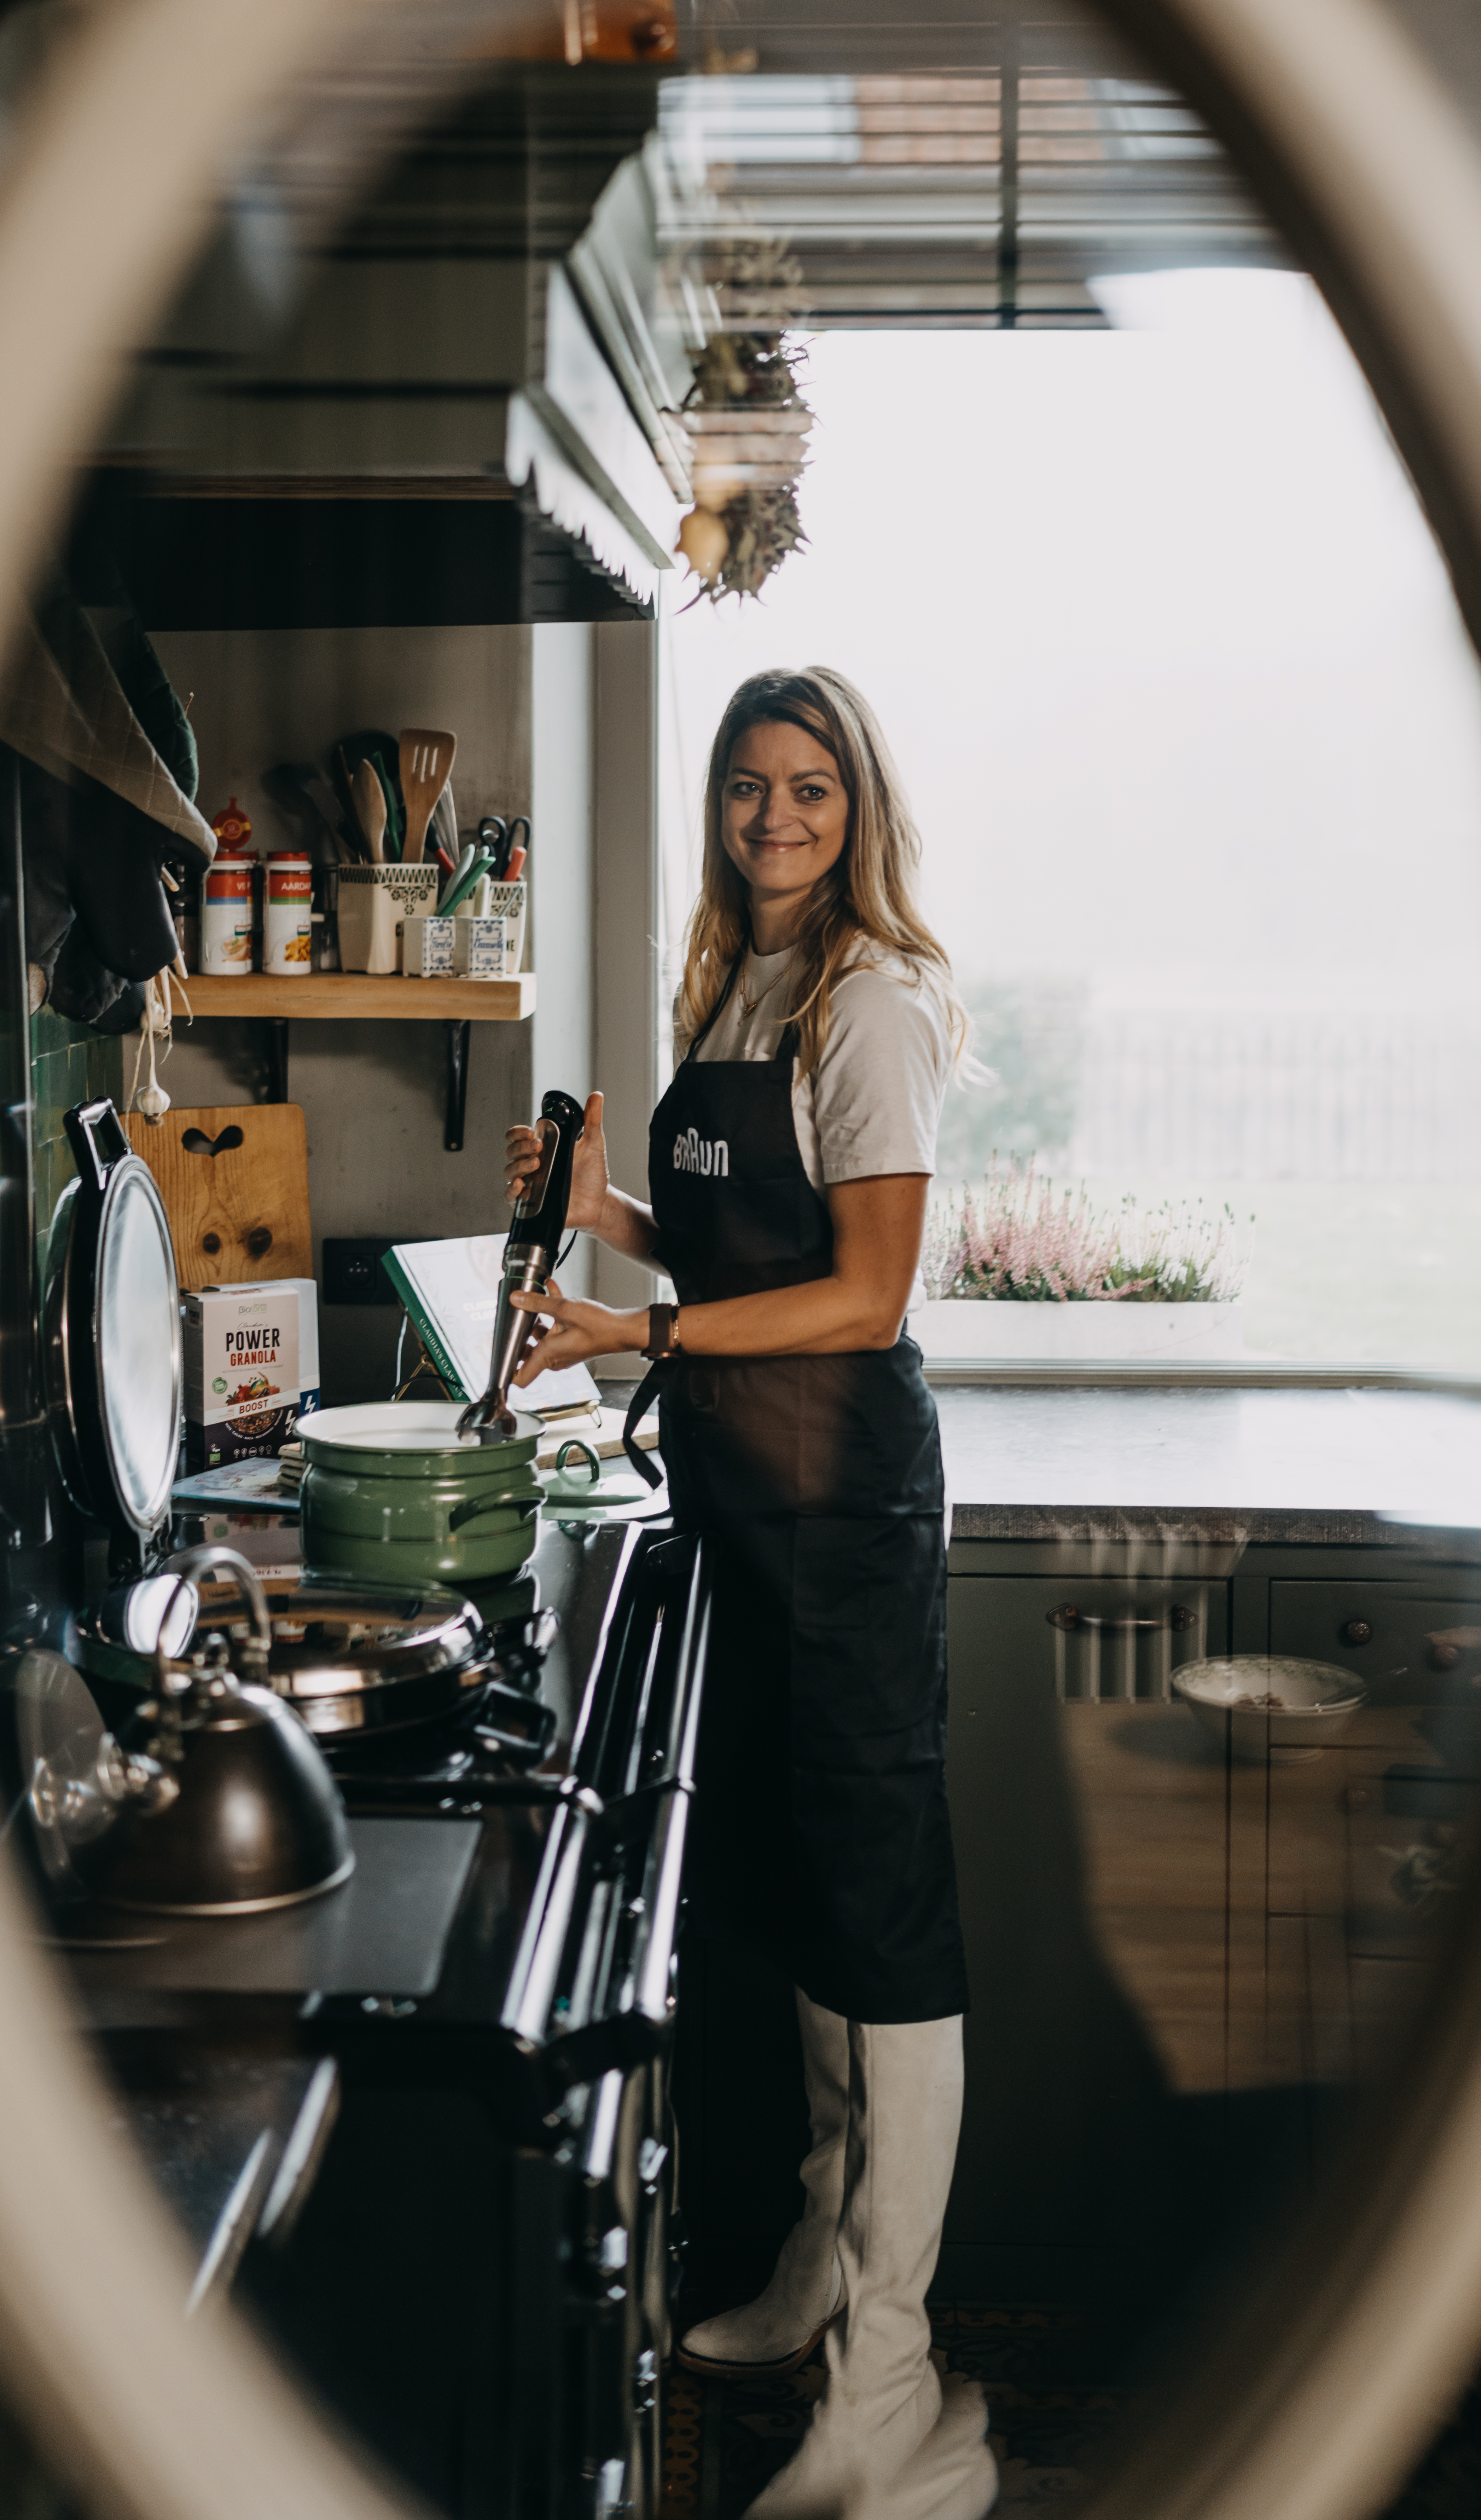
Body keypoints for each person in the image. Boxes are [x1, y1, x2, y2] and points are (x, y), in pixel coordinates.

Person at [504, 667, 993, 2520]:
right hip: (739, 1501)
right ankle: (818, 2261)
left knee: (884, 1924)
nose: (775, 818)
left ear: (858, 808)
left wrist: (633, 1332)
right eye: (745, 787)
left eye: (810, 788)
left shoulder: (873, 1000)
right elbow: (735, 1254)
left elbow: (864, 1296)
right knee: (798, 1895)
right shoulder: (736, 985)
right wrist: (602, 1214)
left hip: (843, 1511)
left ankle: (893, 2379)